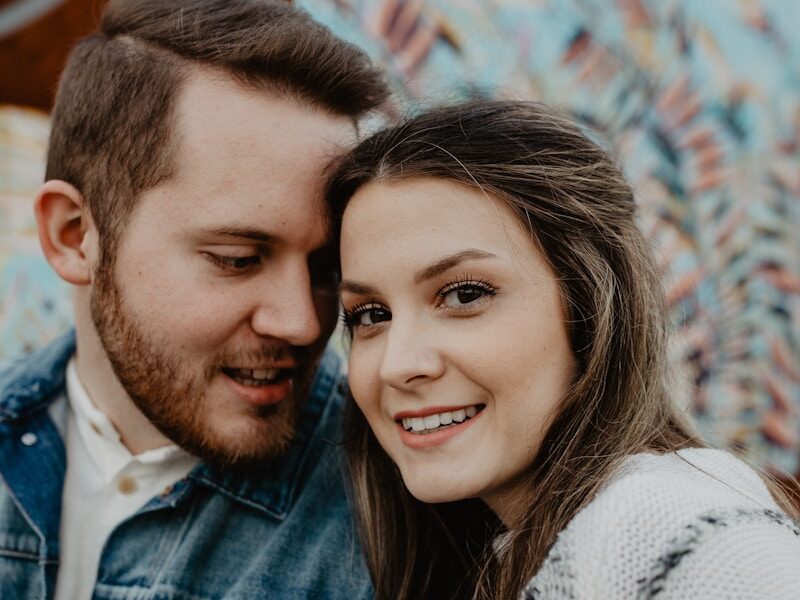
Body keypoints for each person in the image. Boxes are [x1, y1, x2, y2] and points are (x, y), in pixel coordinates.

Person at [326, 100, 800, 600]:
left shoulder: (672, 529)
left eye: (464, 294)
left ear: (591, 305)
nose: (399, 366)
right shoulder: (506, 550)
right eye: (371, 315)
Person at [0, 1, 389, 598]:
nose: (305, 322)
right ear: (75, 235)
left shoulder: (398, 525)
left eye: (326, 266)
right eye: (237, 259)